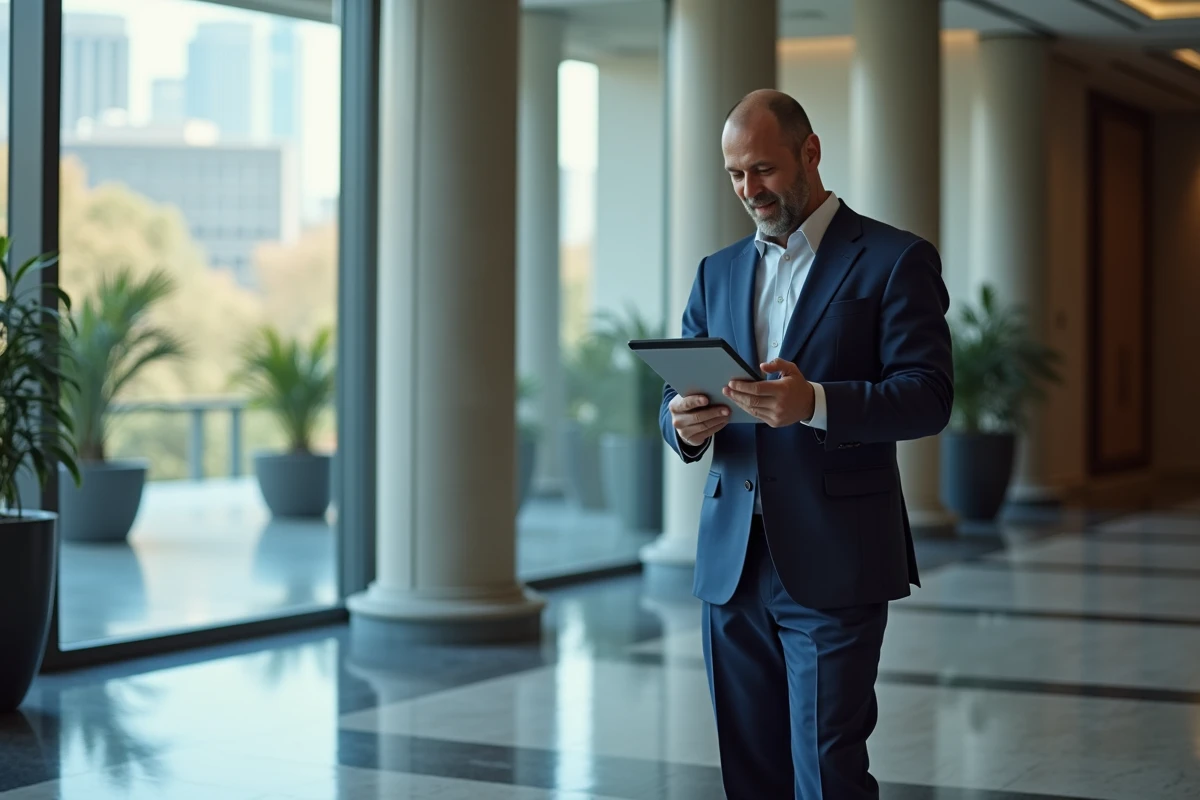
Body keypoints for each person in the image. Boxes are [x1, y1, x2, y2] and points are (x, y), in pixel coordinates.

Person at [661, 89, 953, 799]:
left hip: (836, 558)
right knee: (750, 769)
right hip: (732, 564)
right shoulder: (716, 270)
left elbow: (928, 395)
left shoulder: (893, 259)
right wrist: (680, 424)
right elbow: (675, 398)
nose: (747, 190)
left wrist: (815, 402)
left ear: (810, 153)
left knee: (826, 769)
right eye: (734, 175)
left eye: (761, 169)